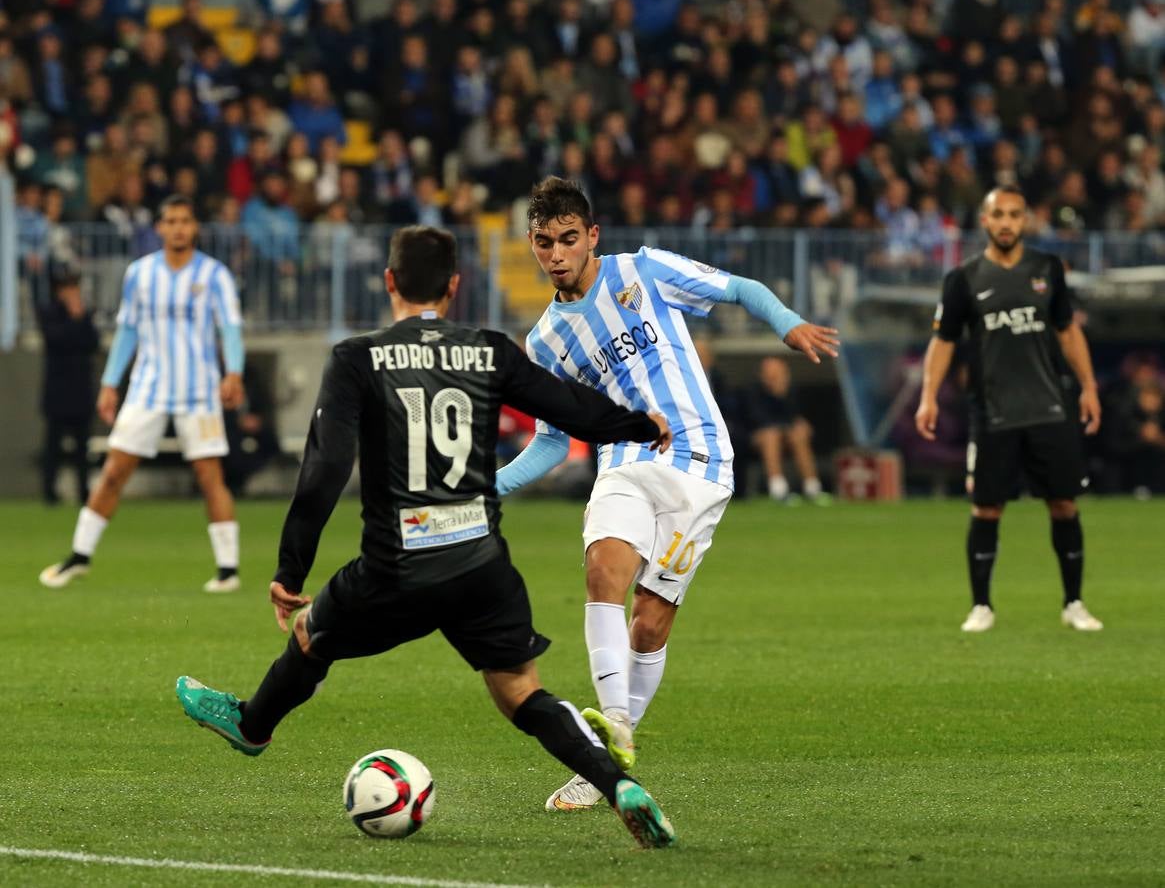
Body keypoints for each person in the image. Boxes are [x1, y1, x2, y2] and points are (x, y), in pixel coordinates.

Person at [175, 226, 678, 848]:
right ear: (455, 287)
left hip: (395, 566)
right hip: (480, 566)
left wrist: (291, 569)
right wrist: (639, 422)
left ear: (388, 282)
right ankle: (616, 784)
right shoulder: (489, 350)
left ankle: (253, 726)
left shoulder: (356, 357)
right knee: (522, 692)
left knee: (310, 634)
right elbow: (571, 407)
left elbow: (325, 470)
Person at [496, 177, 839, 811]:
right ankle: (604, 748)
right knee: (603, 570)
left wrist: (787, 325)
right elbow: (549, 442)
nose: (557, 254)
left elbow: (742, 288)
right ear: (533, 246)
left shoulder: (643, 270)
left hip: (701, 464)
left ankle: (613, 741)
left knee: (649, 626)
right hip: (625, 461)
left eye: (569, 239)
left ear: (592, 236)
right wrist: (487, 489)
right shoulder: (543, 343)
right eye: (544, 243)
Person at [914, 185, 1104, 633]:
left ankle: (1074, 602)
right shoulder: (963, 278)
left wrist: (1089, 386)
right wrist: (928, 395)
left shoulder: (1047, 269)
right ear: (984, 220)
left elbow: (1068, 332)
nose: (1006, 223)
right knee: (986, 509)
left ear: (1025, 221)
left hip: (1049, 408)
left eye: (1015, 215)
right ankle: (982, 606)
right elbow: (943, 342)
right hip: (993, 412)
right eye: (998, 214)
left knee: (1064, 505)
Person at [39, 195, 246, 594]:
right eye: (171, 221)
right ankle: (79, 557)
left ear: (195, 227)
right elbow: (128, 330)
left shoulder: (214, 274)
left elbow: (230, 329)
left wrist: (233, 373)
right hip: (148, 389)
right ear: (160, 228)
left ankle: (228, 569)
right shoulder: (140, 273)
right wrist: (110, 382)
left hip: (198, 390)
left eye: (185, 220)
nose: (179, 227)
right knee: (115, 470)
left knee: (209, 476)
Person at [37, 269, 100, 506]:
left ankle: (84, 491)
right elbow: (56, 340)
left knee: (82, 447)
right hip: (57, 390)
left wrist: (80, 318)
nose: (73, 293)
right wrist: (75, 320)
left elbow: (92, 342)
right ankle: (49, 492)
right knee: (53, 445)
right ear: (59, 291)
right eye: (68, 288)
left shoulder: (84, 314)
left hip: (81, 389)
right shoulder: (49, 312)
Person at [746, 355, 832, 504]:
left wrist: (781, 395)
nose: (775, 376)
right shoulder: (752, 391)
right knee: (771, 436)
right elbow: (759, 420)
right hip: (758, 437)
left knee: (799, 434)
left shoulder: (791, 391)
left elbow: (794, 417)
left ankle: (813, 488)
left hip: (786, 435)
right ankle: (778, 489)